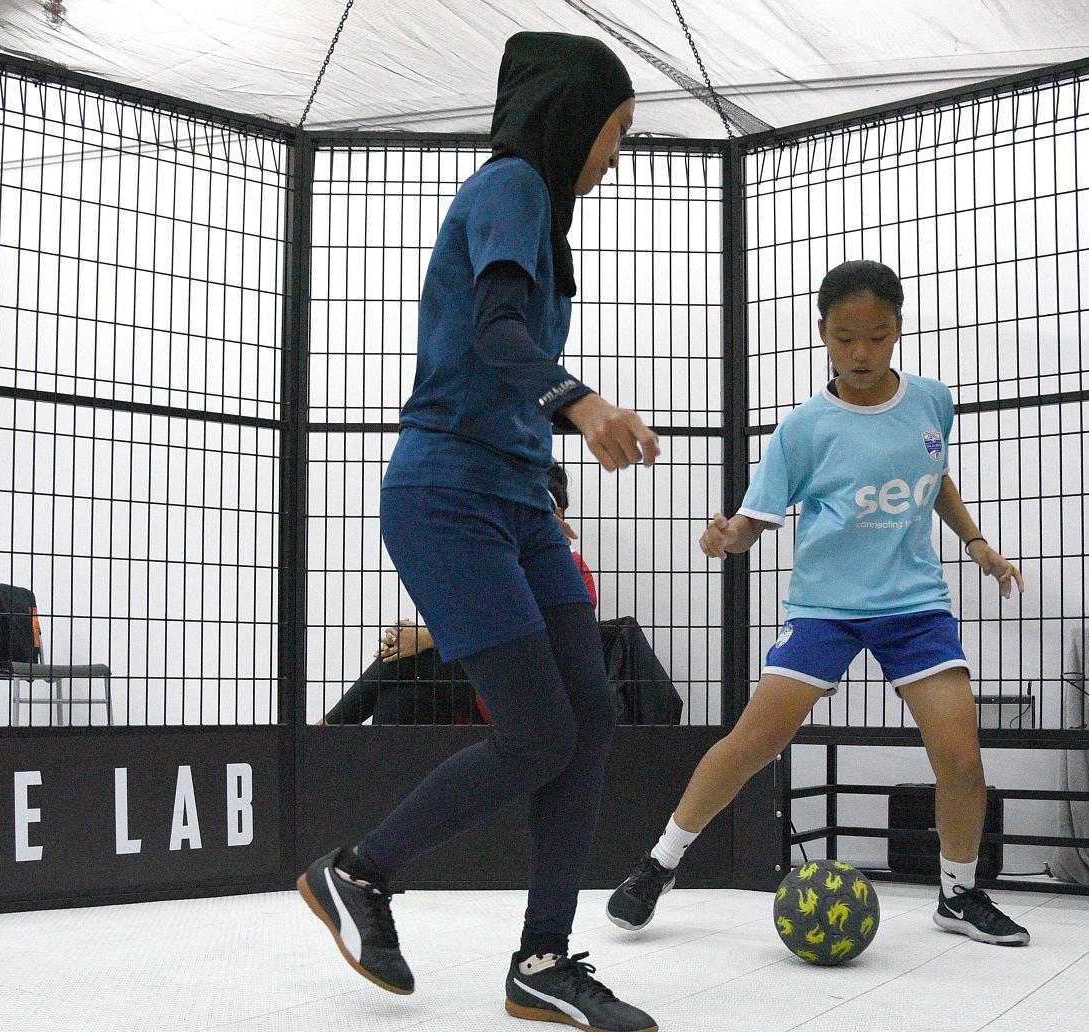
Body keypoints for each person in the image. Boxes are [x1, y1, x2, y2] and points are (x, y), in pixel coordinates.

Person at [298, 32, 661, 1032]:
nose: (617, 157)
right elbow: (501, 333)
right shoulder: (512, 185)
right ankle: (359, 873)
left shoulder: (543, 220)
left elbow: (493, 361)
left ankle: (542, 961)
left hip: (513, 498)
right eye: (616, 132)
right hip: (446, 496)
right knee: (539, 730)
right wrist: (585, 405)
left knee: (588, 715)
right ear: (573, 118)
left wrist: (568, 425)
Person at [605, 259, 1033, 948]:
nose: (861, 352)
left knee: (961, 756)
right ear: (823, 336)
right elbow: (754, 520)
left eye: (877, 334)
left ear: (898, 329)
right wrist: (728, 537)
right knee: (754, 741)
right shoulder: (804, 428)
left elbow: (932, 476)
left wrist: (977, 542)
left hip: (916, 605)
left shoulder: (932, 400)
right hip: (825, 608)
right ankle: (659, 865)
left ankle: (958, 895)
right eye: (843, 338)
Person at [317, 463, 595, 726]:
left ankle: (324, 730)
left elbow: (525, 635)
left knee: (404, 658)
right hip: (479, 679)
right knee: (395, 701)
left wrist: (426, 639)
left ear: (556, 516)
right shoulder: (498, 561)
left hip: (524, 691)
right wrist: (422, 636)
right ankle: (369, 768)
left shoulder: (571, 569)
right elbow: (469, 621)